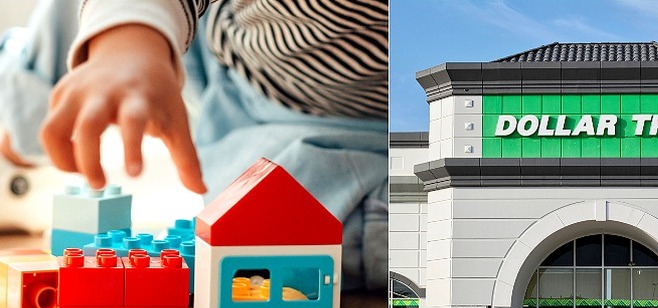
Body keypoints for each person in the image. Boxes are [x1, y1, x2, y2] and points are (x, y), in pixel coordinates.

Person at [0, 0, 388, 291]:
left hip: (315, 130)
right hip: (213, 38)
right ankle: (17, 129)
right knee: (83, 31)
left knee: (264, 226)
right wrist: (128, 39)